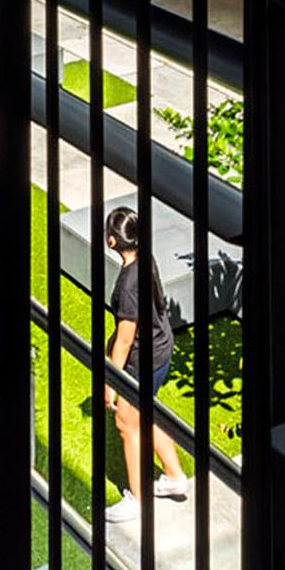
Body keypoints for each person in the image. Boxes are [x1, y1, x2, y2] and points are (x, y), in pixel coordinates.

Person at [100, 205, 193, 512]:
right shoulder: (146, 260)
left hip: (144, 359)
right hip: (161, 349)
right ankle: (175, 475)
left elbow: (126, 339)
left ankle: (138, 502)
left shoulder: (127, 285)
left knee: (127, 423)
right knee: (145, 413)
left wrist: (111, 383)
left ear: (112, 241)